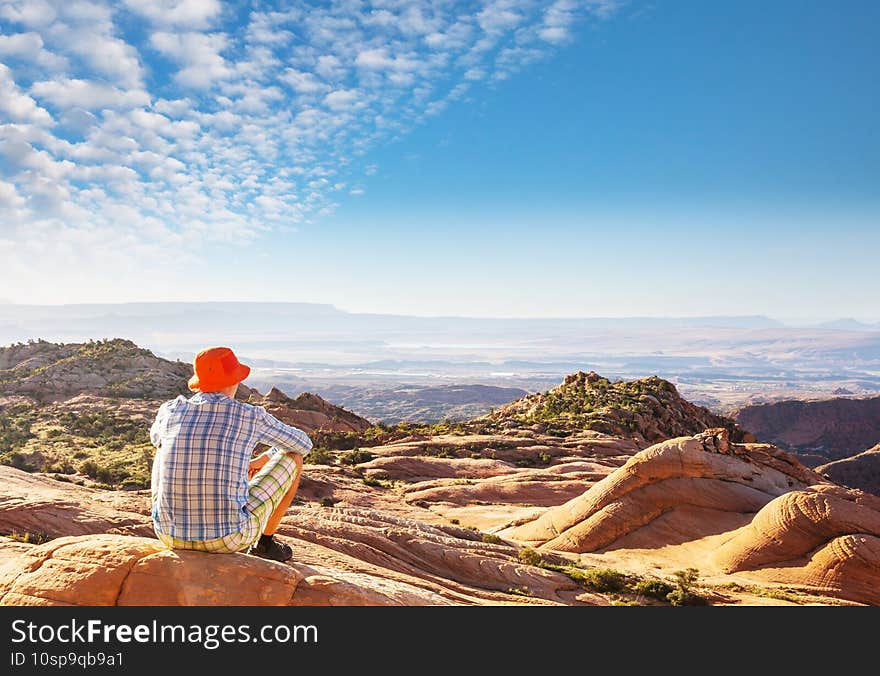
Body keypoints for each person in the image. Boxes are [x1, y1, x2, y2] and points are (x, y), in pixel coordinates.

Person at [149, 346, 312, 562]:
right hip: (228, 538)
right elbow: (303, 444)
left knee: (163, 445)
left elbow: (155, 439)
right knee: (294, 457)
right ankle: (265, 544)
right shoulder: (250, 415)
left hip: (169, 536)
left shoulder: (170, 410)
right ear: (234, 380)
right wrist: (269, 455)